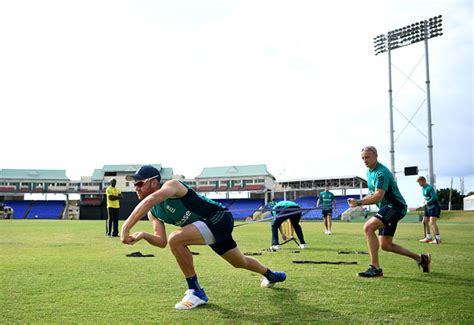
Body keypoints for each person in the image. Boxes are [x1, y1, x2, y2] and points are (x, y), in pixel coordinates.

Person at [120, 165, 286, 310]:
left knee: (176, 239)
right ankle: (272, 275)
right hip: (205, 228)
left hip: (218, 218)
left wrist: (126, 227)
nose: (136, 187)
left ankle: (196, 291)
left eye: (140, 183)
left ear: (154, 182)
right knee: (239, 262)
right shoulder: (153, 212)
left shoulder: (172, 185)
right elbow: (161, 242)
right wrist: (142, 235)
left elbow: (153, 198)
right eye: (135, 184)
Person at [348, 146, 431, 277]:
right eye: (363, 158)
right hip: (387, 207)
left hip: (396, 206)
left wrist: (359, 203)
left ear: (376, 156)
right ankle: (421, 258)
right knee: (386, 245)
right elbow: (372, 193)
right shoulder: (369, 172)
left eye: (367, 157)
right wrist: (358, 200)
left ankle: (375, 268)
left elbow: (378, 196)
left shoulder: (381, 173)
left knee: (368, 227)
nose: (365, 160)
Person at [417, 176, 442, 244]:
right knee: (425, 222)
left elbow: (434, 197)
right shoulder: (423, 188)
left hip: (434, 206)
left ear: (423, 181)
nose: (419, 184)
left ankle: (438, 239)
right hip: (428, 207)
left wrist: (427, 202)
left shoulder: (429, 188)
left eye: (419, 182)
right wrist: (425, 203)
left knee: (432, 222)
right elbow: (426, 198)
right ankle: (428, 237)